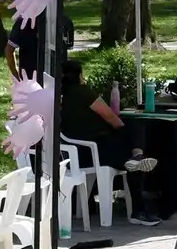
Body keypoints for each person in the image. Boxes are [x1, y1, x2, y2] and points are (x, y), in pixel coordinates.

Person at [58, 60, 161, 226]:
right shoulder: (84, 92)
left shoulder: (59, 96)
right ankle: (138, 210)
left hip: (79, 155)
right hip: (101, 150)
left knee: (132, 161)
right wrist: (124, 131)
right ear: (80, 75)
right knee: (135, 130)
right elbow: (110, 117)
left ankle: (136, 157)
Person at [6, 9, 75, 82]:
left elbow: (9, 50)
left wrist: (16, 77)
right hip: (55, 80)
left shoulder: (23, 21)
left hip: (31, 79)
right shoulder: (66, 21)